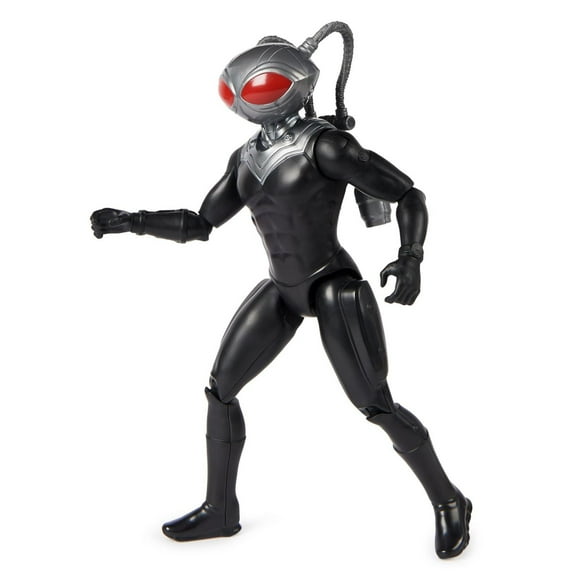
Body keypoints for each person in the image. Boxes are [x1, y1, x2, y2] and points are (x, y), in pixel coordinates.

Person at [91, 22, 471, 559]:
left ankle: (450, 500)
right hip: (282, 289)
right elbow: (201, 222)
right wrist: (132, 220)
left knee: (375, 405)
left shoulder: (327, 146)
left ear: (288, 85)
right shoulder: (246, 158)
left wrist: (411, 257)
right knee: (220, 389)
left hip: (333, 285)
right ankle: (220, 509)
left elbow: (409, 194)